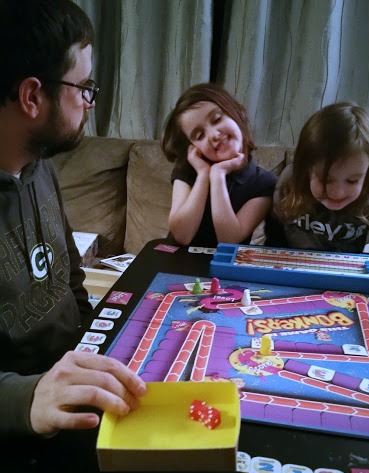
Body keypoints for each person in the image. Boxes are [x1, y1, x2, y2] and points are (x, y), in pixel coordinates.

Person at [0, 0, 146, 437]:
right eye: (83, 87)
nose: (88, 102)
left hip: (75, 378)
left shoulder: (40, 166)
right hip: (26, 425)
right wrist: (29, 399)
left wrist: (93, 339)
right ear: (31, 97)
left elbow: (69, 278)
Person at [161, 83, 277, 247]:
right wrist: (203, 175)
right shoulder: (187, 170)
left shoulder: (264, 182)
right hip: (178, 261)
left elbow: (229, 241)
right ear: (194, 147)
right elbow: (181, 236)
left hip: (226, 267)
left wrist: (218, 176)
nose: (214, 135)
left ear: (236, 113)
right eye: (200, 135)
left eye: (217, 119)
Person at [265, 102, 369, 254]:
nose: (337, 193)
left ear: (368, 174)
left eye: (352, 181)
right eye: (325, 180)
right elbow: (274, 232)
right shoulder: (290, 181)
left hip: (344, 273)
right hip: (292, 267)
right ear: (306, 168)